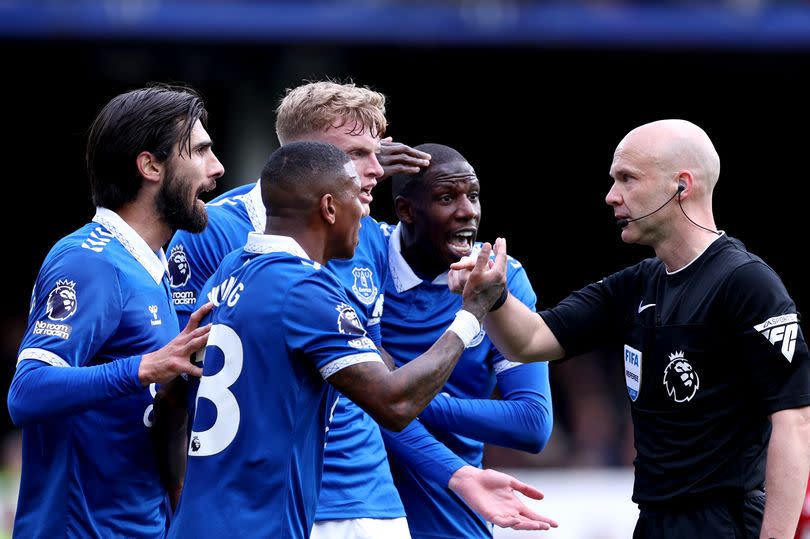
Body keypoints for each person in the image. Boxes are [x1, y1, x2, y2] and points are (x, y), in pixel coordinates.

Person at [167, 80, 556, 537]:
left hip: (360, 496)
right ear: (310, 161)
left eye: (377, 153)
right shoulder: (219, 235)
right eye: (357, 155)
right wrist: (470, 314)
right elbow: (176, 385)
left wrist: (452, 471)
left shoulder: (352, 236)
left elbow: (369, 387)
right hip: (272, 496)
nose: (376, 172)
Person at [451, 119, 810, 538]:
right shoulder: (640, 282)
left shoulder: (747, 284)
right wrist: (492, 297)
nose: (611, 196)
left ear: (681, 185)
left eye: (627, 179)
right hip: (653, 521)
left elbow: (794, 422)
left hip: (724, 522)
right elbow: (529, 340)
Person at [7, 83, 224, 538]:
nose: (216, 167)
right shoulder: (91, 263)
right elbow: (25, 392)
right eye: (200, 151)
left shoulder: (152, 265)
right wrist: (145, 367)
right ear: (150, 165)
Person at [380, 143, 554, 539]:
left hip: (454, 515)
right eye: (446, 197)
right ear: (406, 210)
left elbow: (532, 423)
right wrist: (383, 395)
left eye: (473, 196)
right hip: (357, 508)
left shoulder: (500, 280)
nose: (468, 211)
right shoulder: (359, 260)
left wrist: (392, 394)